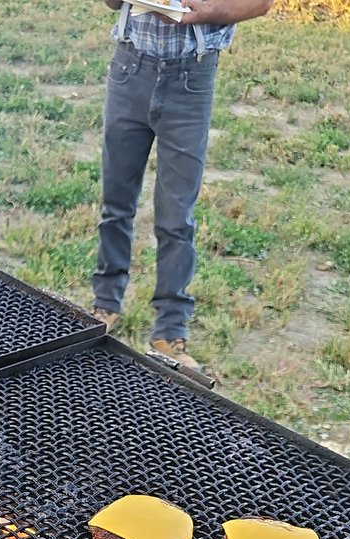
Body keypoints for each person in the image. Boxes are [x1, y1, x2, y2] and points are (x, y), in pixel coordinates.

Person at [91, 0, 273, 368]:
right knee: (116, 201)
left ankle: (170, 330)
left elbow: (262, 3)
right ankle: (105, 305)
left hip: (191, 77)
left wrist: (203, 11)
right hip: (130, 67)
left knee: (176, 216)